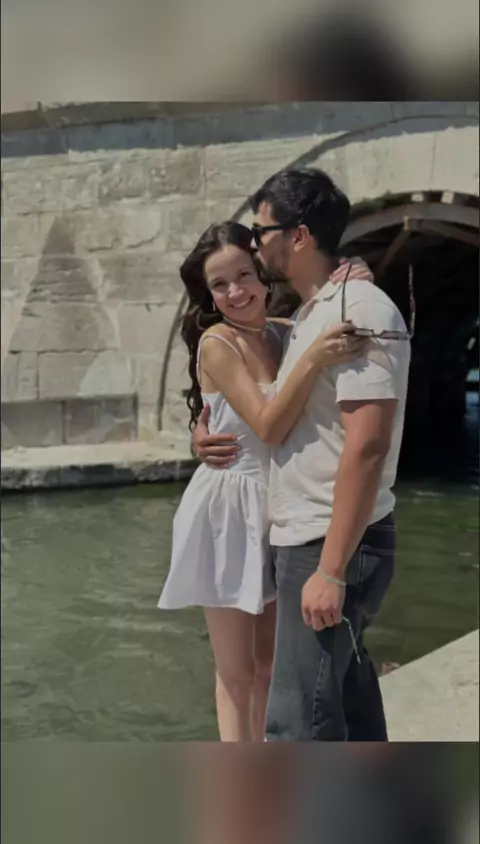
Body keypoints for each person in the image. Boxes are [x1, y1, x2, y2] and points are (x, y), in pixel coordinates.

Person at [193, 167, 411, 741]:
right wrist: (204, 426)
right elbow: (254, 411)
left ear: (300, 236)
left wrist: (330, 570)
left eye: (261, 232)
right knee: (340, 701)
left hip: (325, 539)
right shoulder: (312, 316)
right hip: (293, 529)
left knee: (297, 720)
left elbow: (368, 446)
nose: (254, 245)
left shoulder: (352, 312)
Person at [158, 220, 371, 742]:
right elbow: (268, 425)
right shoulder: (218, 343)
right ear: (208, 295)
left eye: (243, 275)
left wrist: (356, 272)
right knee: (236, 672)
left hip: (278, 504)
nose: (236, 292)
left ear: (261, 273)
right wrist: (314, 356)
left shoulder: (283, 331)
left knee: (270, 667)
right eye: (220, 284)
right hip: (229, 509)